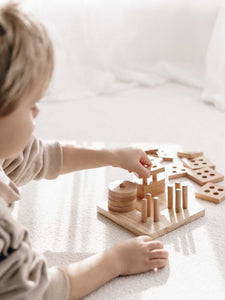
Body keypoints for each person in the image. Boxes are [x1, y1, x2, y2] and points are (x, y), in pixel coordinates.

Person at [0, 3, 168, 300]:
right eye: (31, 104)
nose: (38, 111)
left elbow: (42, 157)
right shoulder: (4, 232)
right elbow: (40, 291)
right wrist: (115, 261)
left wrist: (113, 155)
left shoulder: (6, 152)